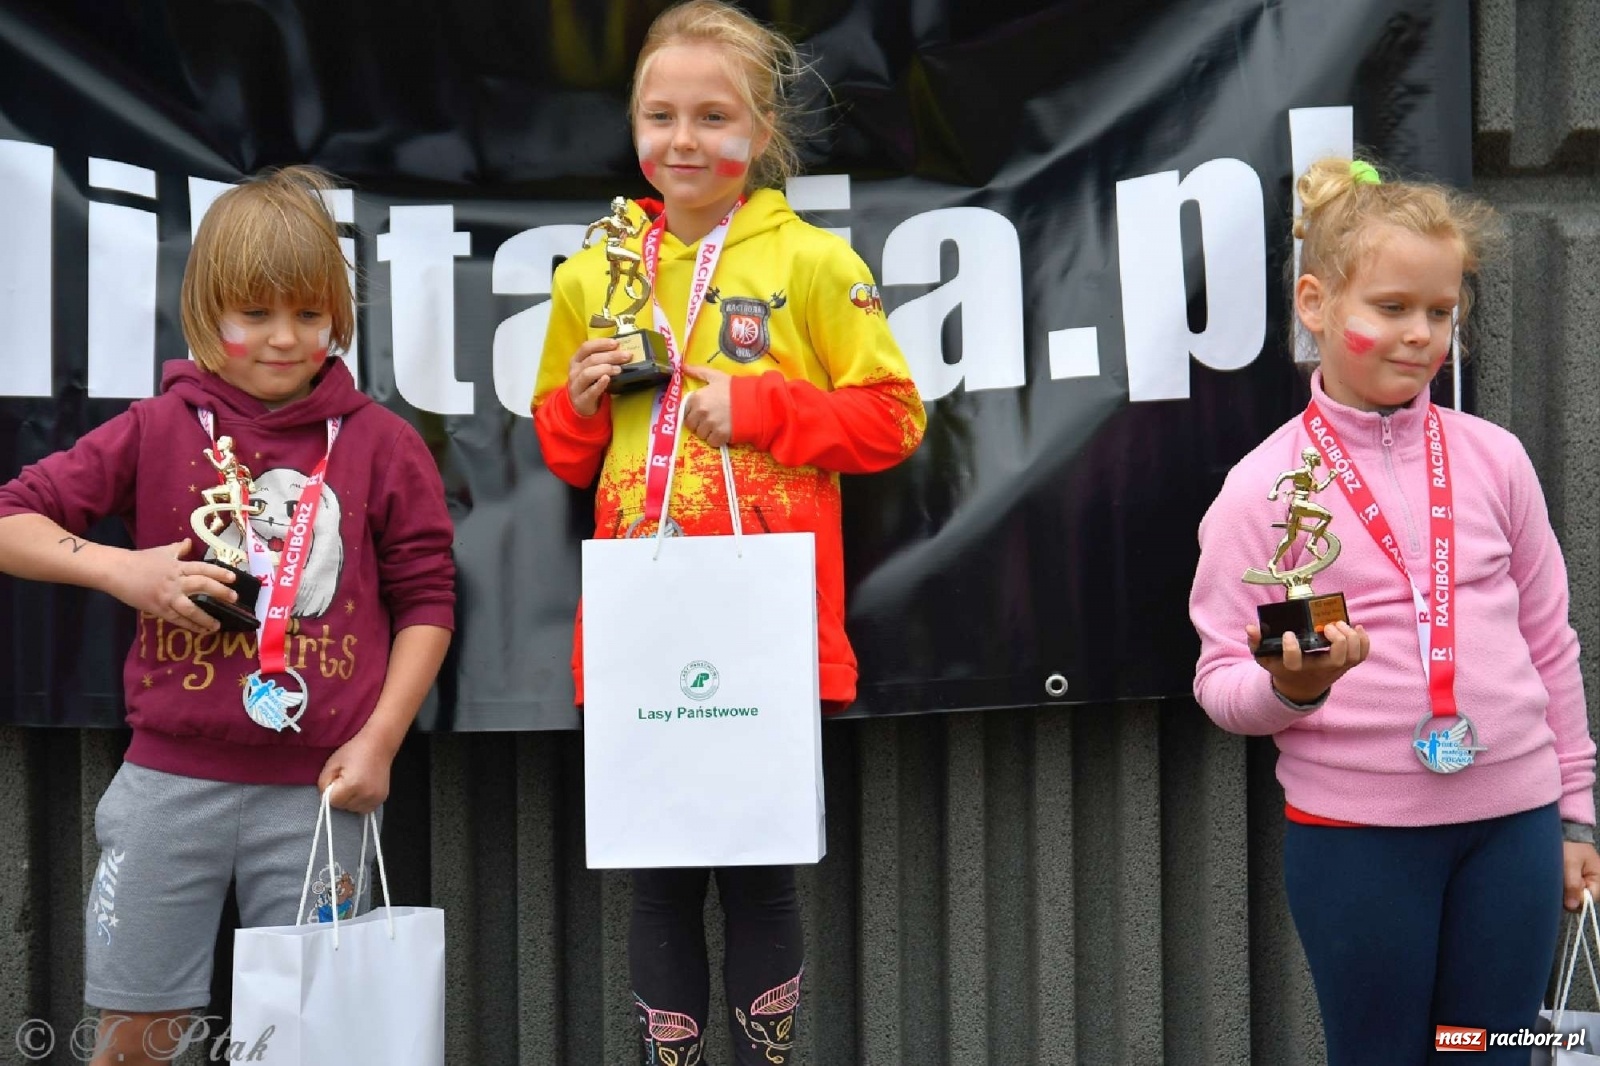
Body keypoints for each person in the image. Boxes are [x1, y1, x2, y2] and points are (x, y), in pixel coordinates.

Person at [532, 3, 925, 1060]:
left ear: (761, 130)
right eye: (659, 116)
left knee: (759, 874)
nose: (684, 141)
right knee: (656, 883)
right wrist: (575, 400)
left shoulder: (806, 262)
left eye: (713, 116)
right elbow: (567, 456)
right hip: (639, 626)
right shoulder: (595, 270)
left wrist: (760, 409)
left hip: (766, 624)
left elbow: (895, 418)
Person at [0, 166, 455, 1066]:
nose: (285, 339)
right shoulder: (156, 428)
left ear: (338, 315)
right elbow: (13, 520)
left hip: (324, 796)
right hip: (167, 790)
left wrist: (381, 744)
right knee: (138, 1039)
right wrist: (125, 571)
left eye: (310, 314)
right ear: (205, 316)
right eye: (255, 314)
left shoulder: (382, 442)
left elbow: (428, 599)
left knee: (316, 1044)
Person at [1189, 157, 1600, 1065]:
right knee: (1383, 1054)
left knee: (1483, 1051)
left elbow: (1550, 642)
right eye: (1391, 307)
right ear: (1315, 302)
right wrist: (1290, 692)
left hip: (1514, 829)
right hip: (1359, 842)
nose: (1421, 335)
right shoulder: (1263, 488)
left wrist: (1576, 815)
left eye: (1441, 312)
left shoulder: (1496, 460)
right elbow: (1221, 677)